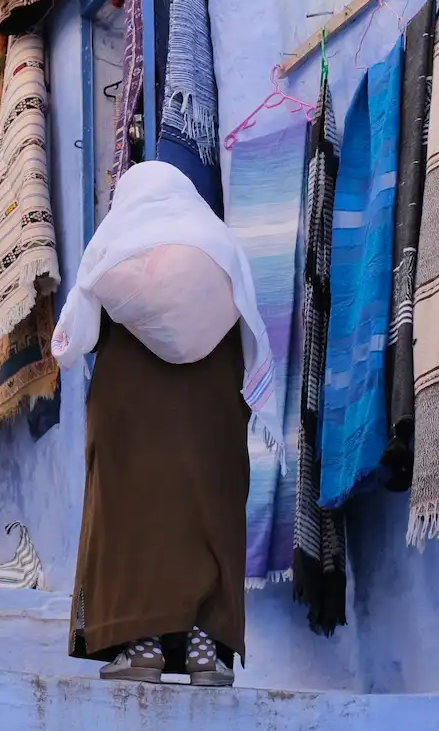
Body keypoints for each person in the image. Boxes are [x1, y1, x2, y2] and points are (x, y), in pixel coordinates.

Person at [52, 162, 274, 687]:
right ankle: (207, 652)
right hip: (212, 413)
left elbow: (74, 337)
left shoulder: (117, 241)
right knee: (210, 517)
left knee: (132, 516)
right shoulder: (220, 246)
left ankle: (142, 644)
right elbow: (251, 333)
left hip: (130, 410)